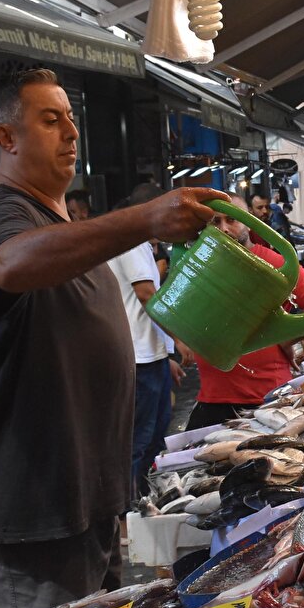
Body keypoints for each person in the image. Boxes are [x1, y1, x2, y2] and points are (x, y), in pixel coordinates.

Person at [0, 68, 231, 608]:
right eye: (50, 120)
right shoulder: (1, 214)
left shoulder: (61, 222)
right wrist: (146, 218)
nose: (71, 132)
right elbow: (11, 264)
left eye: (71, 119)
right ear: (7, 139)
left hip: (82, 507)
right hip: (28, 514)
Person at [185, 193, 304, 431]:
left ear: (248, 221)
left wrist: (286, 339)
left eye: (231, 220)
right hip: (212, 398)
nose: (224, 229)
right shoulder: (198, 266)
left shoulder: (274, 264)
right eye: (215, 222)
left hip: (266, 400)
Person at [106, 192, 194, 498]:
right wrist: (178, 338)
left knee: (155, 436)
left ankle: (143, 501)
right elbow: (145, 295)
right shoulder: (130, 243)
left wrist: (165, 353)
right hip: (138, 359)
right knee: (139, 439)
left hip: (148, 356)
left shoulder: (141, 246)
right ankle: (127, 510)